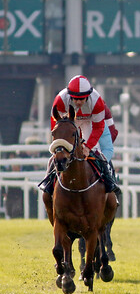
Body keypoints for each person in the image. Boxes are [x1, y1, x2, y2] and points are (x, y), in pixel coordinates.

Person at [39, 75, 121, 220]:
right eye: (75, 98)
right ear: (70, 95)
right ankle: (48, 183)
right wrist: (61, 147)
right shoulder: (60, 100)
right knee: (57, 155)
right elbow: (56, 127)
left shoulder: (96, 101)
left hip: (90, 123)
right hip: (69, 122)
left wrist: (88, 147)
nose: (78, 101)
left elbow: (98, 127)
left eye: (81, 99)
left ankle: (109, 182)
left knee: (96, 153)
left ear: (88, 95)